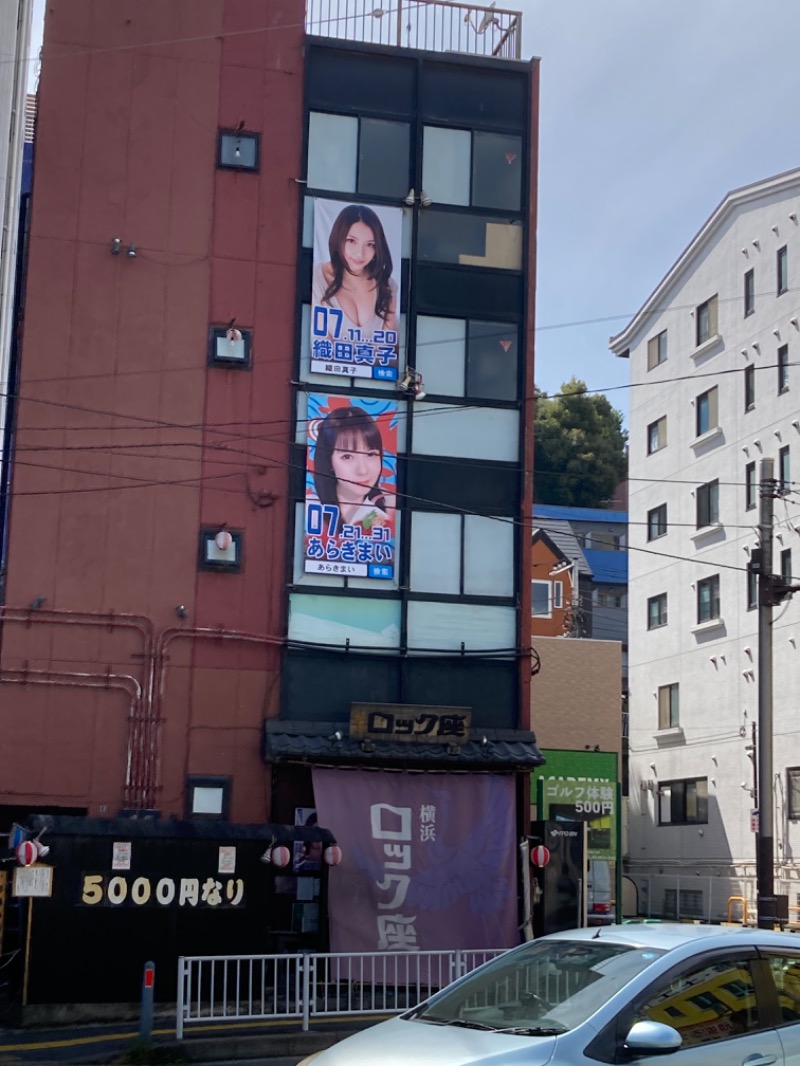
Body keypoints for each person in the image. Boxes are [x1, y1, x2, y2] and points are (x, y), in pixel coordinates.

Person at [312, 204, 398, 338]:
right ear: (338, 239)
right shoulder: (317, 278)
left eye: (370, 244)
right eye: (351, 241)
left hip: (375, 358)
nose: (360, 253)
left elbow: (385, 344)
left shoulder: (387, 285)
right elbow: (321, 342)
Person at [313, 405, 394, 530]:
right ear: (329, 461)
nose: (362, 470)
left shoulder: (390, 509)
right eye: (347, 457)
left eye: (371, 454)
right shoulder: (310, 508)